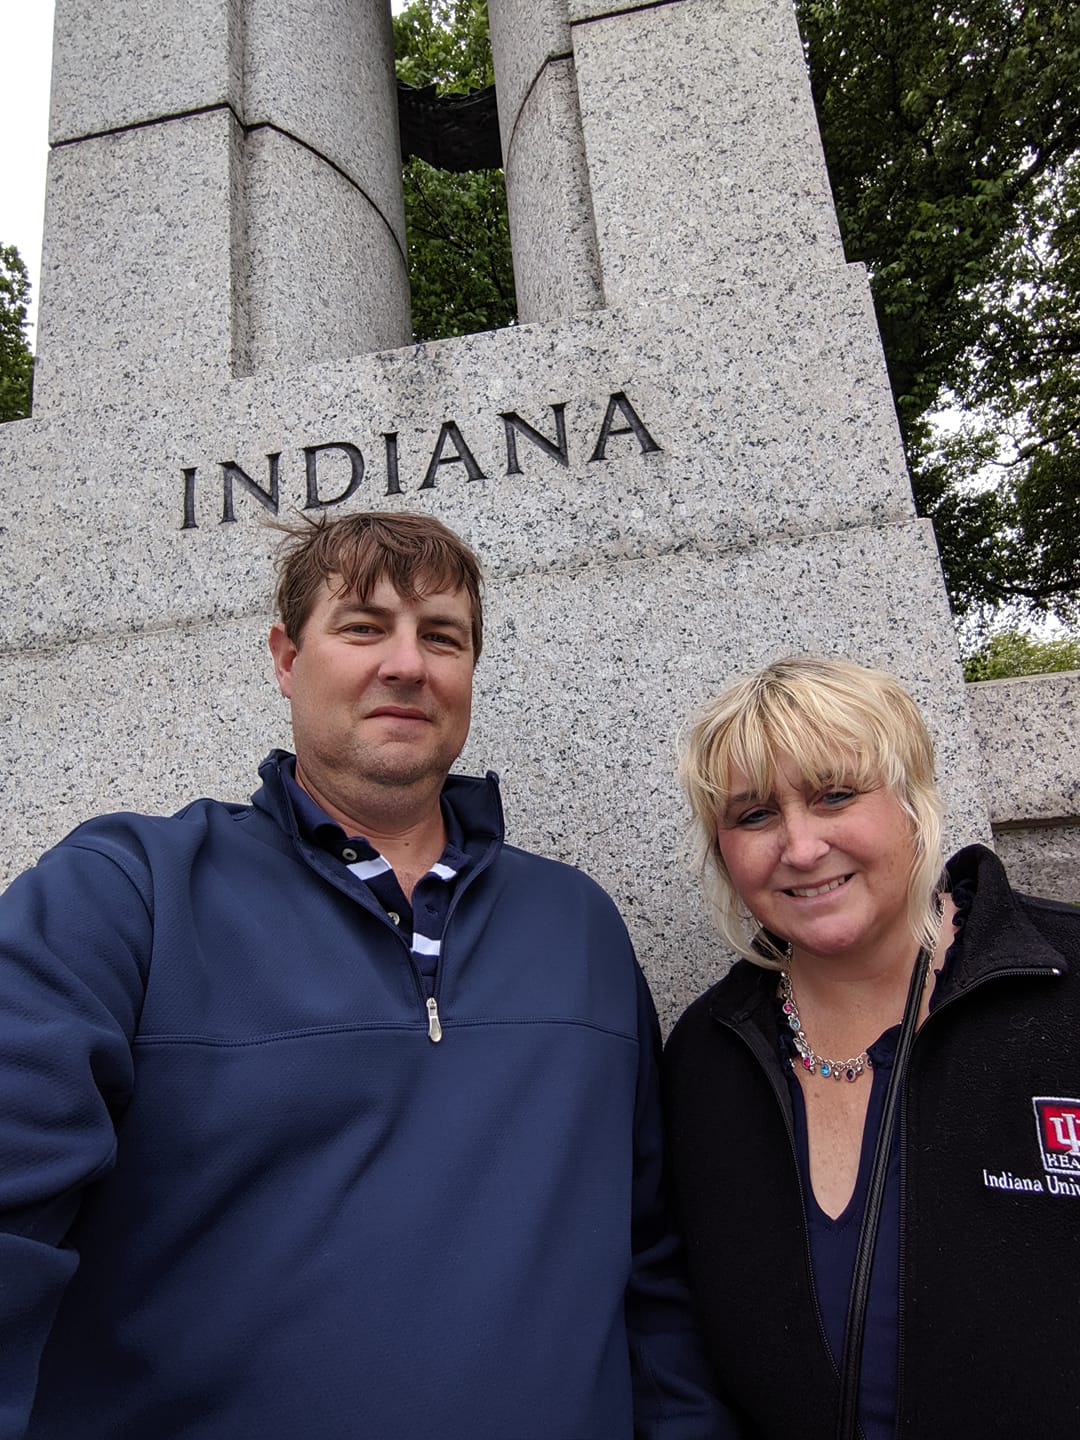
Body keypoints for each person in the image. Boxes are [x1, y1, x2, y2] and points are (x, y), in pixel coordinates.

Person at [0, 511, 727, 1440]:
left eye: (442, 637)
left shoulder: (577, 925)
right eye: (362, 626)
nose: (406, 664)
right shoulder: (127, 891)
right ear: (285, 659)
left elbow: (653, 1261)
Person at [663, 655, 1080, 1439]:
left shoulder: (1063, 987)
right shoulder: (704, 1058)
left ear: (914, 802)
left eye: (836, 796)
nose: (802, 845)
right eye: (753, 815)